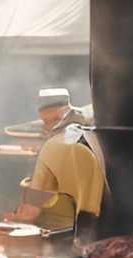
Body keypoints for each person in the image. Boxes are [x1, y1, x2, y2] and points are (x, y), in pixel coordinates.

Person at [9, 88, 105, 230]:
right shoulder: (52, 133)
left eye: (51, 120)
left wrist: (31, 206)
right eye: (44, 121)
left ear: (63, 113)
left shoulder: (80, 130)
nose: (47, 127)